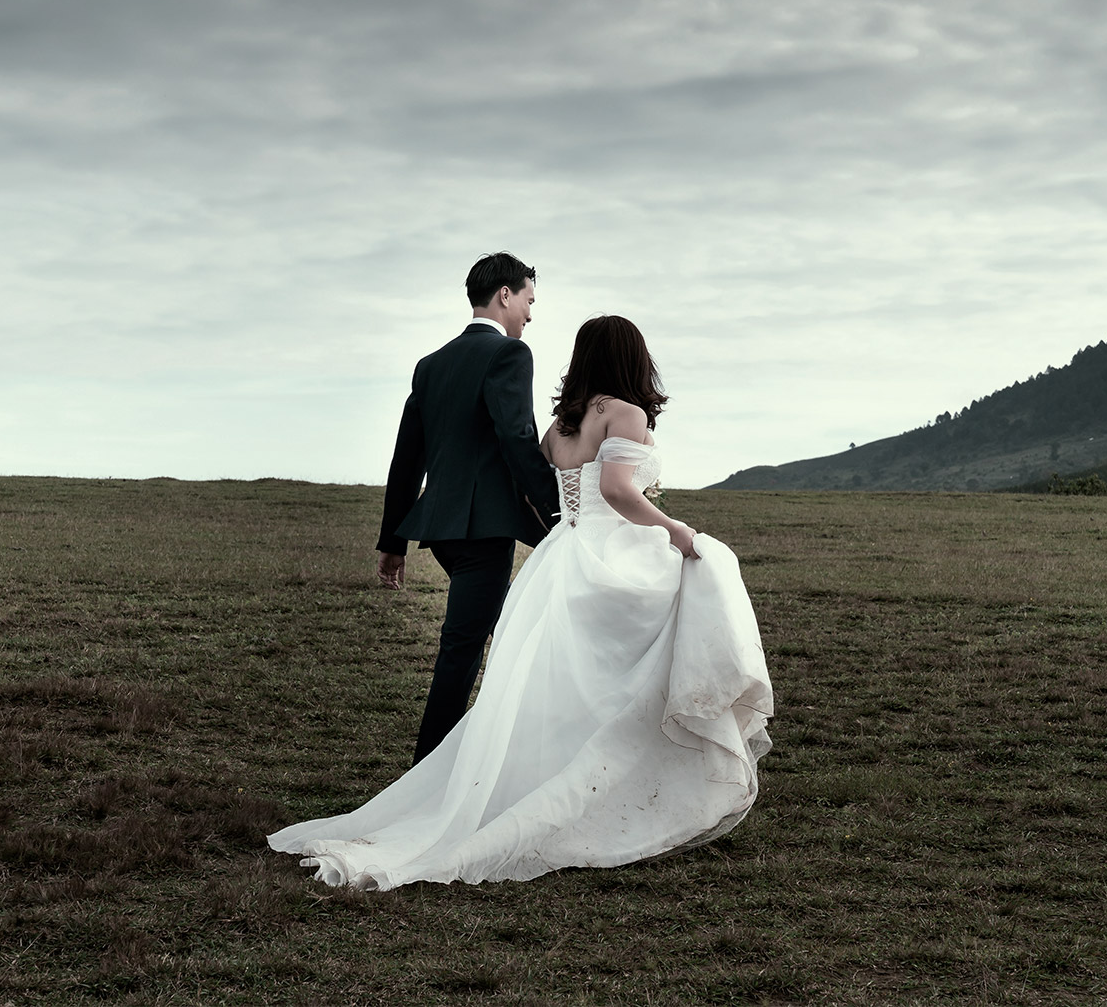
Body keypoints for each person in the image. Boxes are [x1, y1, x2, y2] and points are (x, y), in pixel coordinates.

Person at [269, 315, 773, 889]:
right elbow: (615, 490)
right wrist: (674, 528)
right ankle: (635, 777)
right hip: (618, 550)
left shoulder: (560, 427)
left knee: (565, 681)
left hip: (564, 553)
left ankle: (569, 775)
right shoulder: (626, 412)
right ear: (634, 357)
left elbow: (540, 486)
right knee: (696, 586)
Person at [374, 252, 561, 764]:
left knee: (514, 643)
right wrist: (561, 514)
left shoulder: (431, 364)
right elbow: (517, 439)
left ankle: (510, 759)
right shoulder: (510, 357)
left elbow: (406, 458)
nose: (530, 313)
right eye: (528, 299)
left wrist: (394, 543)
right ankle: (427, 777)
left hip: (445, 533)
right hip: (483, 532)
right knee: (462, 651)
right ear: (506, 295)